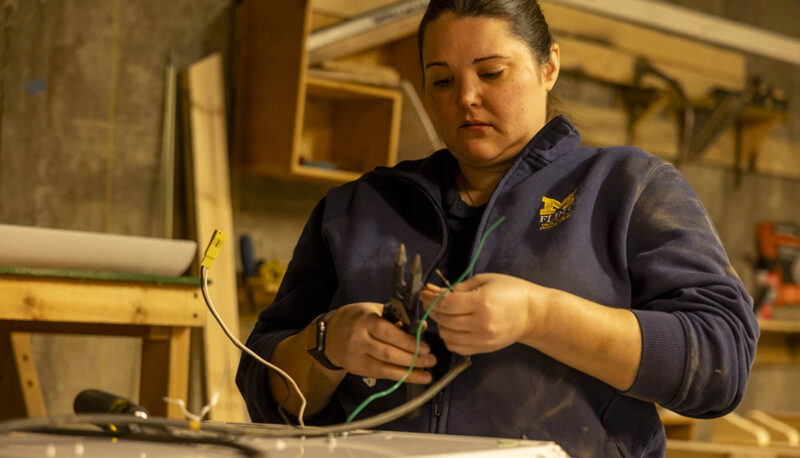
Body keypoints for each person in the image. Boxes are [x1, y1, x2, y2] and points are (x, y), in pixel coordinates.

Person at [237, 0, 759, 456]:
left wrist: (541, 316)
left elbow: (723, 360)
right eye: (442, 80)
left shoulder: (627, 187)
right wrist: (328, 345)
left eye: (491, 73)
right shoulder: (358, 207)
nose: (465, 97)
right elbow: (263, 385)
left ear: (549, 65)